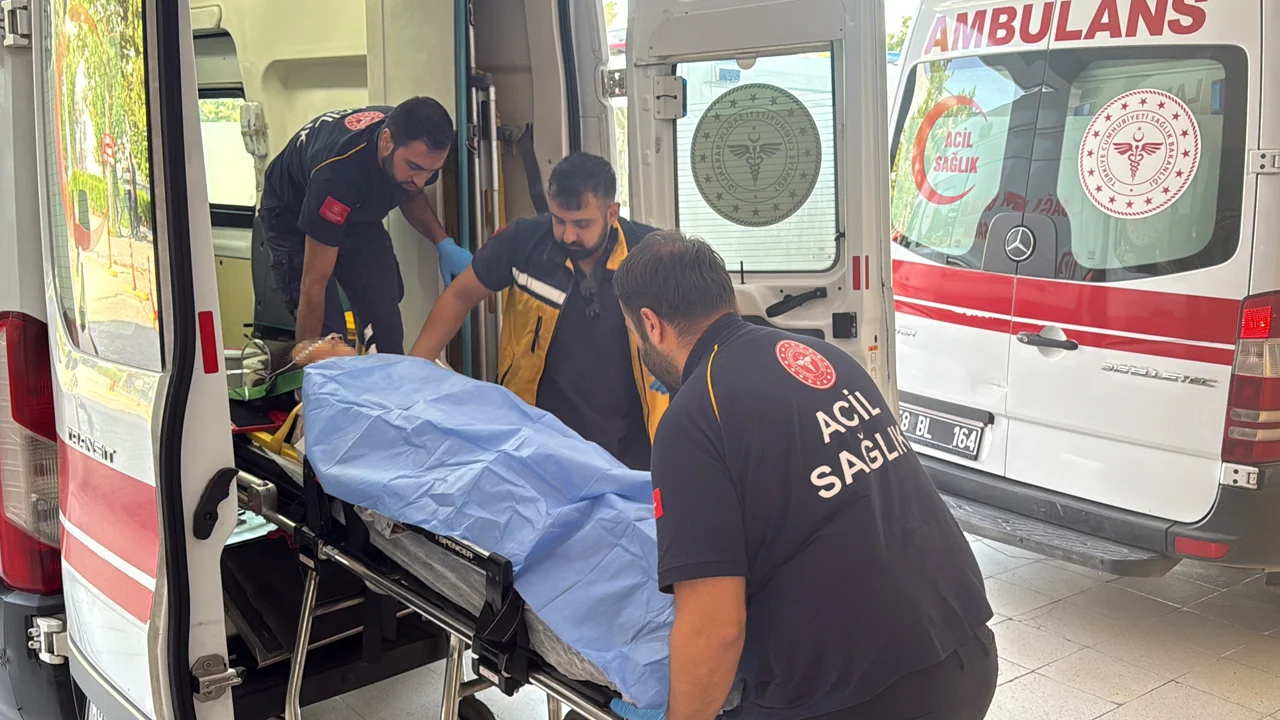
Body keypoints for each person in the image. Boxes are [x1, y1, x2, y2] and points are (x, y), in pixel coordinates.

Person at [610, 232, 997, 720]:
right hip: (967, 656)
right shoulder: (822, 358)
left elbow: (715, 628)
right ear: (726, 298)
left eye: (633, 331)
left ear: (650, 324)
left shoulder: (694, 418)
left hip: (863, 699)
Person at [408, 152, 668, 471]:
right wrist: (410, 378)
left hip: (633, 448)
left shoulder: (653, 255)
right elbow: (459, 297)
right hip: (536, 440)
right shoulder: (524, 241)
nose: (568, 235)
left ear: (612, 213)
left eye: (582, 224)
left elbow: (702, 323)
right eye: (559, 220)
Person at [258, 98, 473, 356]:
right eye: (414, 168)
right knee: (328, 341)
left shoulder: (415, 151)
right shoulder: (337, 176)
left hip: (355, 213)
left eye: (430, 172)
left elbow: (411, 193)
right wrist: (314, 365)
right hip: (292, 213)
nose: (420, 180)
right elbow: (313, 285)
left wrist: (443, 242)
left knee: (386, 326)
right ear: (387, 141)